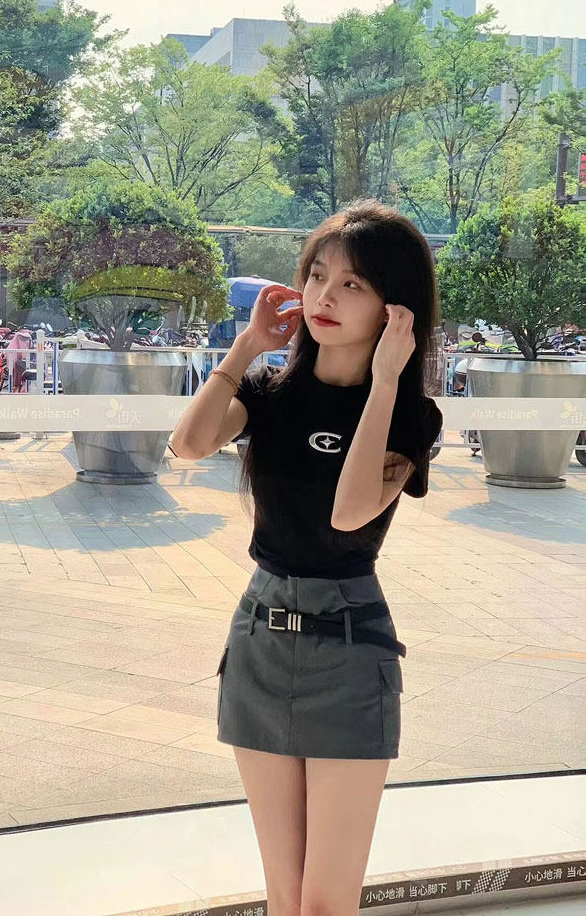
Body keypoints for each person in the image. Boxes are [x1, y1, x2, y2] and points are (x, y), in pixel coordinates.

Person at [170, 199, 443, 916]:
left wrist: (385, 382)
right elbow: (188, 445)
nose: (325, 296)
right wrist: (245, 349)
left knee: (324, 903)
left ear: (394, 307)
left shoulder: (411, 414)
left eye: (352, 283)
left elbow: (350, 514)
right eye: (317, 275)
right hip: (260, 636)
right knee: (284, 896)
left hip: (350, 646)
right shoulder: (270, 393)